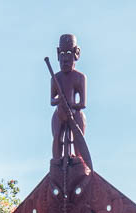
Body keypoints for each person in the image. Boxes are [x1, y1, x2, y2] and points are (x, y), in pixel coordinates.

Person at [51, 34, 87, 162]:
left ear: (76, 53)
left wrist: (71, 107)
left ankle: (78, 157)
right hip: (60, 112)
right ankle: (56, 159)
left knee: (79, 125)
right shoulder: (56, 78)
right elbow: (52, 100)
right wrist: (60, 102)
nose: (65, 58)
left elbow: (82, 103)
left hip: (74, 112)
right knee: (57, 135)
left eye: (69, 53)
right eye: (62, 53)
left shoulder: (79, 77)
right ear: (58, 54)